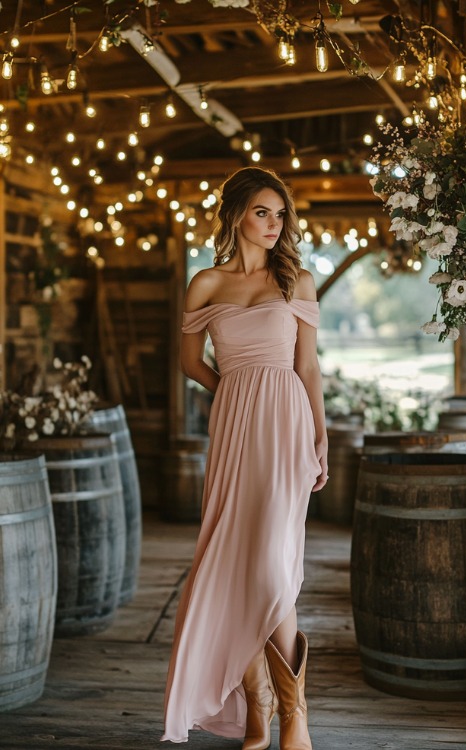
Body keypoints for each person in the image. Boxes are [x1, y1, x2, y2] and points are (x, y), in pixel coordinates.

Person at [161, 166, 328, 749]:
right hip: (235, 433)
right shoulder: (205, 284)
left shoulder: (298, 282)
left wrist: (320, 436)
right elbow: (189, 364)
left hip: (288, 428)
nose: (274, 224)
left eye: (280, 214)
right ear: (235, 215)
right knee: (234, 562)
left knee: (274, 566)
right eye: (263, 212)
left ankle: (294, 714)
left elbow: (307, 367)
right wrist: (234, 390)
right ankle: (256, 709)